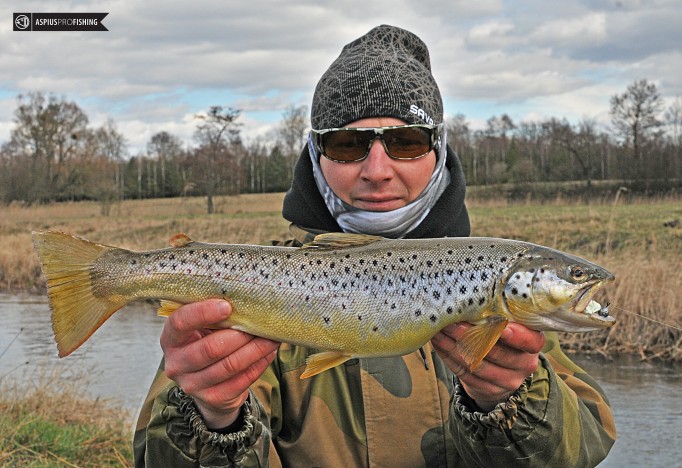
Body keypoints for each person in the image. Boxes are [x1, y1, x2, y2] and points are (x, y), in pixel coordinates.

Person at [134, 25, 615, 467]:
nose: (378, 170)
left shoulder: (506, 308)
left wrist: (510, 402)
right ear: (316, 156)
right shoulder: (254, 285)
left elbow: (584, 449)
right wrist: (212, 416)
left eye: (405, 141)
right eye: (347, 144)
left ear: (438, 151)